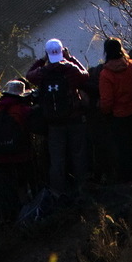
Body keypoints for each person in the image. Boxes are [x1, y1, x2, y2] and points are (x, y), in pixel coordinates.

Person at [26, 37, 91, 197]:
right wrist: (70, 58)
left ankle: (58, 193)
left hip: (54, 122)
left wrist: (41, 61)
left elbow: (29, 75)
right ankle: (81, 190)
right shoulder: (70, 69)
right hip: (75, 118)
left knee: (57, 160)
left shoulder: (41, 73)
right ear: (62, 51)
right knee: (78, 156)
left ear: (47, 54)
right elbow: (86, 75)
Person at [98, 37, 132, 182]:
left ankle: (127, 179)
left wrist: (105, 113)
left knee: (123, 149)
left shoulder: (106, 75)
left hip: (118, 116)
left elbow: (106, 101)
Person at [0, 79, 35, 221]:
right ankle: (24, 214)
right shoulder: (23, 110)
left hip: (0, 156)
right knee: (22, 184)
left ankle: (6, 215)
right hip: (20, 155)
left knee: (6, 187)